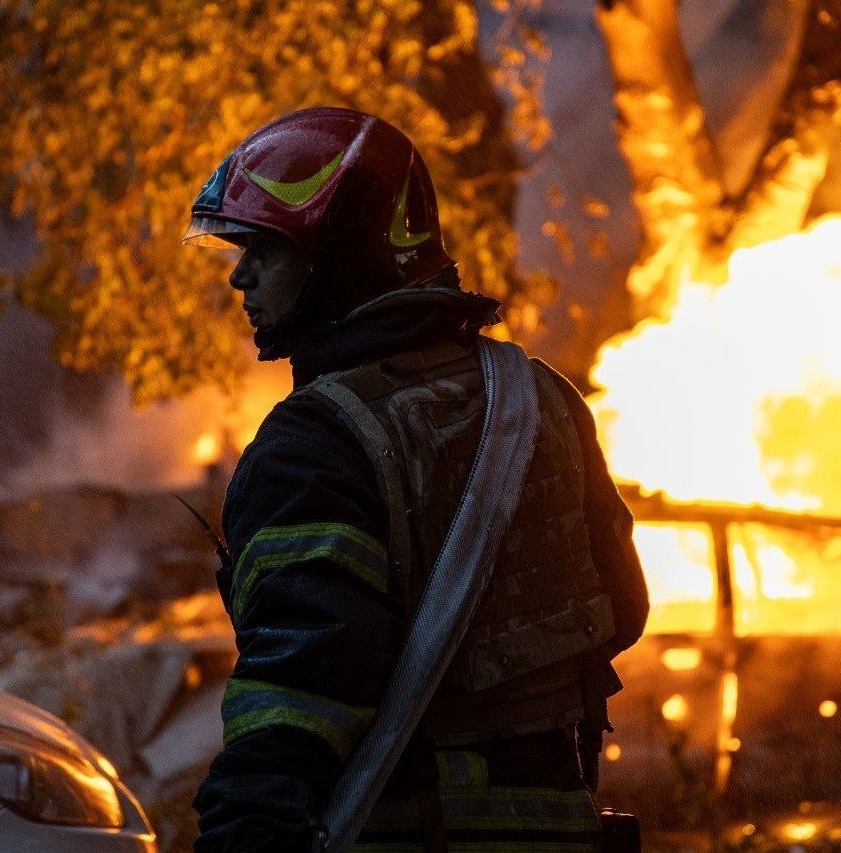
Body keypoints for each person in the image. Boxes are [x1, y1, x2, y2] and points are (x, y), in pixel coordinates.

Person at [183, 107, 649, 852]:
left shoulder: (315, 442)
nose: (241, 275)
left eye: (266, 250)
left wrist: (243, 832)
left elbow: (298, 692)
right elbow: (623, 610)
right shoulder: (542, 400)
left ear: (340, 255)